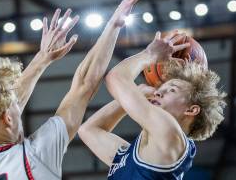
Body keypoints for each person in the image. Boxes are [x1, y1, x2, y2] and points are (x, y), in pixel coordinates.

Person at [0, 0, 146, 179]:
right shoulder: (34, 158)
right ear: (7, 118)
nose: (17, 97)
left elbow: (6, 106)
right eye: (13, 103)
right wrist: (114, 23)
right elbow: (85, 84)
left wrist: (42, 58)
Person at [78, 30, 226, 179]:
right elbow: (88, 130)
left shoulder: (170, 133)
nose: (157, 93)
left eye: (172, 90)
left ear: (191, 109)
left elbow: (115, 78)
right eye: (160, 89)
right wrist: (137, 92)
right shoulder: (130, 156)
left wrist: (149, 55)